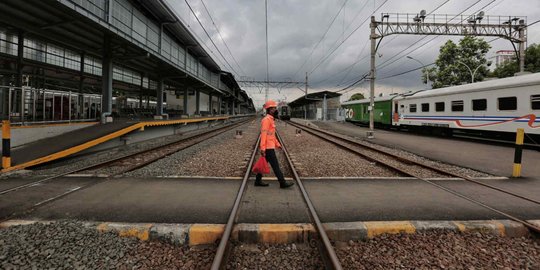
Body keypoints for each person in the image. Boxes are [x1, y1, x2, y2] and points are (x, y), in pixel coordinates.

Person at [255, 100, 294, 189]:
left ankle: (257, 181)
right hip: (268, 148)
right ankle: (282, 183)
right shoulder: (266, 120)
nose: (275, 109)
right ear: (269, 110)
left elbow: (272, 135)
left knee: (265, 163)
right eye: (273, 108)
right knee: (276, 166)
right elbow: (264, 134)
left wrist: (278, 144)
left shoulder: (271, 120)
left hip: (270, 146)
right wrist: (262, 148)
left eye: (275, 108)